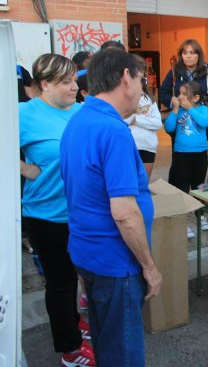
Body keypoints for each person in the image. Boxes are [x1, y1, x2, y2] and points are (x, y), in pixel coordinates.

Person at [61, 48, 162, 367]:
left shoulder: (79, 120)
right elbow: (124, 212)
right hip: (115, 263)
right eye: (141, 79)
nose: (142, 88)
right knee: (124, 353)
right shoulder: (113, 131)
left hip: (86, 254)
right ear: (125, 78)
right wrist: (149, 266)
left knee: (105, 342)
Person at [20, 53, 95, 367]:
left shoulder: (81, 112)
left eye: (74, 80)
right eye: (65, 82)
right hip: (46, 215)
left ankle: (73, 321)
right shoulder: (24, 113)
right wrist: (22, 167)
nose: (74, 87)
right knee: (61, 281)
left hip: (82, 212)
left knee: (81, 276)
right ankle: (70, 349)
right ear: (45, 84)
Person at [164, 81, 208, 193]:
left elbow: (205, 122)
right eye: (179, 93)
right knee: (181, 185)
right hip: (181, 154)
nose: (179, 97)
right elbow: (168, 128)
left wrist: (190, 109)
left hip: (200, 154)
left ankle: (199, 209)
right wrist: (174, 110)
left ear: (195, 98)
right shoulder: (178, 111)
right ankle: (183, 207)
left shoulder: (203, 109)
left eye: (184, 94)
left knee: (199, 185)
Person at [127, 55, 163, 179]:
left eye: (143, 79)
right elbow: (124, 119)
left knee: (143, 184)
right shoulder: (123, 98)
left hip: (148, 145)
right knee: (131, 183)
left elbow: (158, 123)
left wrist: (137, 120)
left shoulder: (149, 98)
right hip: (131, 145)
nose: (141, 82)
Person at [159, 39, 208, 109]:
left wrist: (202, 103)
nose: (188, 56)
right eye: (185, 53)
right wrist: (174, 103)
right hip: (180, 114)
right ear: (181, 55)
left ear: (199, 55)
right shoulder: (174, 71)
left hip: (202, 113)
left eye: (192, 53)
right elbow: (162, 93)